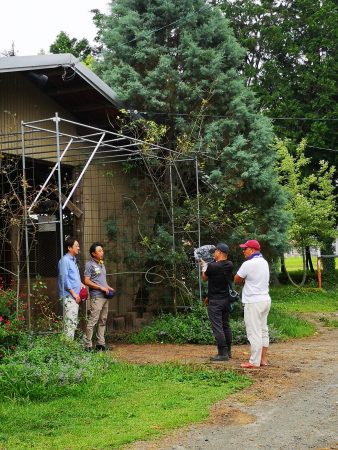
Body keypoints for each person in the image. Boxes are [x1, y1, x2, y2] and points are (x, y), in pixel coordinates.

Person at [234, 239, 271, 369]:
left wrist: (244, 280)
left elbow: (236, 279)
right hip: (265, 299)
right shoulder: (264, 262)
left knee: (253, 332)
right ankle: (263, 359)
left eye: (245, 248)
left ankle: (254, 362)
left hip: (253, 301)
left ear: (252, 250)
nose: (243, 251)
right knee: (263, 330)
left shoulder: (248, 264)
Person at [201, 243, 234, 362]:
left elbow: (204, 278)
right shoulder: (230, 264)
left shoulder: (212, 266)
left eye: (215, 251)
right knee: (226, 325)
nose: (214, 253)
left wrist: (204, 267)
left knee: (217, 327)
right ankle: (228, 351)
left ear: (219, 252)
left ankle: (222, 353)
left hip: (215, 301)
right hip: (225, 300)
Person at [83, 242, 115, 351]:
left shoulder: (101, 264)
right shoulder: (89, 264)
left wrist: (108, 287)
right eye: (99, 251)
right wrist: (100, 288)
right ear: (93, 253)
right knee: (93, 320)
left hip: (105, 297)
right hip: (97, 296)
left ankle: (100, 344)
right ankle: (87, 345)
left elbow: (102, 282)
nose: (102, 252)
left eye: (102, 250)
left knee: (103, 320)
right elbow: (86, 281)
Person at [58, 236, 85, 340]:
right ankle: (68, 349)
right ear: (69, 248)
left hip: (74, 297)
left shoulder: (72, 260)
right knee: (70, 324)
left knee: (72, 323)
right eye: (76, 246)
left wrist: (81, 284)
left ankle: (68, 349)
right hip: (69, 297)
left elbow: (72, 277)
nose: (78, 248)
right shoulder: (65, 261)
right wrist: (74, 294)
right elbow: (64, 279)